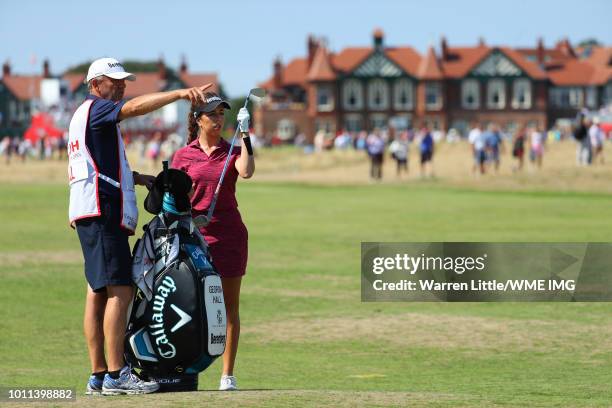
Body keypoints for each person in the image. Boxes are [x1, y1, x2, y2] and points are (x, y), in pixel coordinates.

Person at [68, 57, 212, 396]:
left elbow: (98, 164)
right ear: (95, 83)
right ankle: (117, 375)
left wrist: (140, 179)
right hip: (103, 212)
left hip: (89, 210)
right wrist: (177, 94)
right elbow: (133, 109)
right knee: (120, 291)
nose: (120, 87)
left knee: (97, 293)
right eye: (113, 81)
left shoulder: (81, 116)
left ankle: (99, 375)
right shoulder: (98, 108)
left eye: (123, 82)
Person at [171, 92, 254, 391]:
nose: (219, 119)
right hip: (194, 240)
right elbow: (173, 198)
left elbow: (246, 171)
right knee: (191, 307)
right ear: (198, 119)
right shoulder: (183, 156)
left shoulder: (231, 150)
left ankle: (227, 375)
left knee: (229, 307)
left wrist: (245, 134)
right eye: (213, 114)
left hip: (229, 236)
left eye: (222, 114)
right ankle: (186, 369)